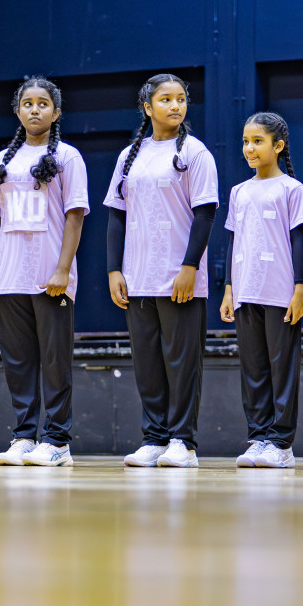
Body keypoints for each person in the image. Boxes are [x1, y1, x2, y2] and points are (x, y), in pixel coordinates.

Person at [105, 73, 218, 469]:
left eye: (181, 98)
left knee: (182, 362)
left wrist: (189, 266)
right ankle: (153, 437)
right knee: (148, 361)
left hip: (179, 277)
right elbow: (116, 216)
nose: (175, 105)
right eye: (166, 99)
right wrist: (113, 270)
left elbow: (205, 214)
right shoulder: (129, 156)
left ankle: (182, 441)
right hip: (137, 277)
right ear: (147, 106)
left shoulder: (197, 153)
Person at [0, 76, 88, 469]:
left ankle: (57, 439)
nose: (35, 109)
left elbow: (75, 217)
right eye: (28, 103)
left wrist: (63, 269)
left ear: (56, 112)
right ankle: (24, 435)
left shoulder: (69, 158)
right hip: (10, 278)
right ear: (18, 110)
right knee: (18, 360)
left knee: (55, 360)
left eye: (44, 103)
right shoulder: (3, 161)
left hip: (49, 278)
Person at [219, 113, 303, 469]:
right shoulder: (239, 192)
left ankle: (281, 442)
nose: (249, 148)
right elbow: (232, 243)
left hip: (280, 292)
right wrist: (228, 289)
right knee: (253, 368)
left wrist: (300, 288)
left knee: (281, 367)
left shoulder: (292, 189)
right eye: (245, 141)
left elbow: (298, 241)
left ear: (278, 145)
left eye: (257, 141)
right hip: (245, 292)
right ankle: (258, 436)